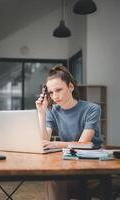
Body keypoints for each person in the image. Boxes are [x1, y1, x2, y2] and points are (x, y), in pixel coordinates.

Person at [35, 65, 102, 200]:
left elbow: (83, 144)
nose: (55, 96)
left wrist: (56, 144)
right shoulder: (53, 111)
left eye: (58, 90)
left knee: (55, 179)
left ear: (71, 87)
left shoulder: (92, 109)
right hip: (69, 162)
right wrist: (41, 113)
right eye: (51, 92)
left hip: (92, 165)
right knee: (53, 177)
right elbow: (44, 141)